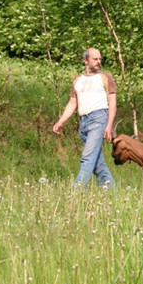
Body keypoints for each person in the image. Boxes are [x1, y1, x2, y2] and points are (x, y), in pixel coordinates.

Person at [52, 47, 117, 188]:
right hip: (83, 122)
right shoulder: (78, 80)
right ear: (86, 60)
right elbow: (72, 103)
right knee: (97, 163)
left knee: (87, 157)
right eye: (95, 59)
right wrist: (61, 121)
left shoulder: (105, 78)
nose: (99, 62)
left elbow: (112, 103)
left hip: (99, 119)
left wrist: (109, 126)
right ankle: (112, 190)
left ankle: (77, 190)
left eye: (100, 59)